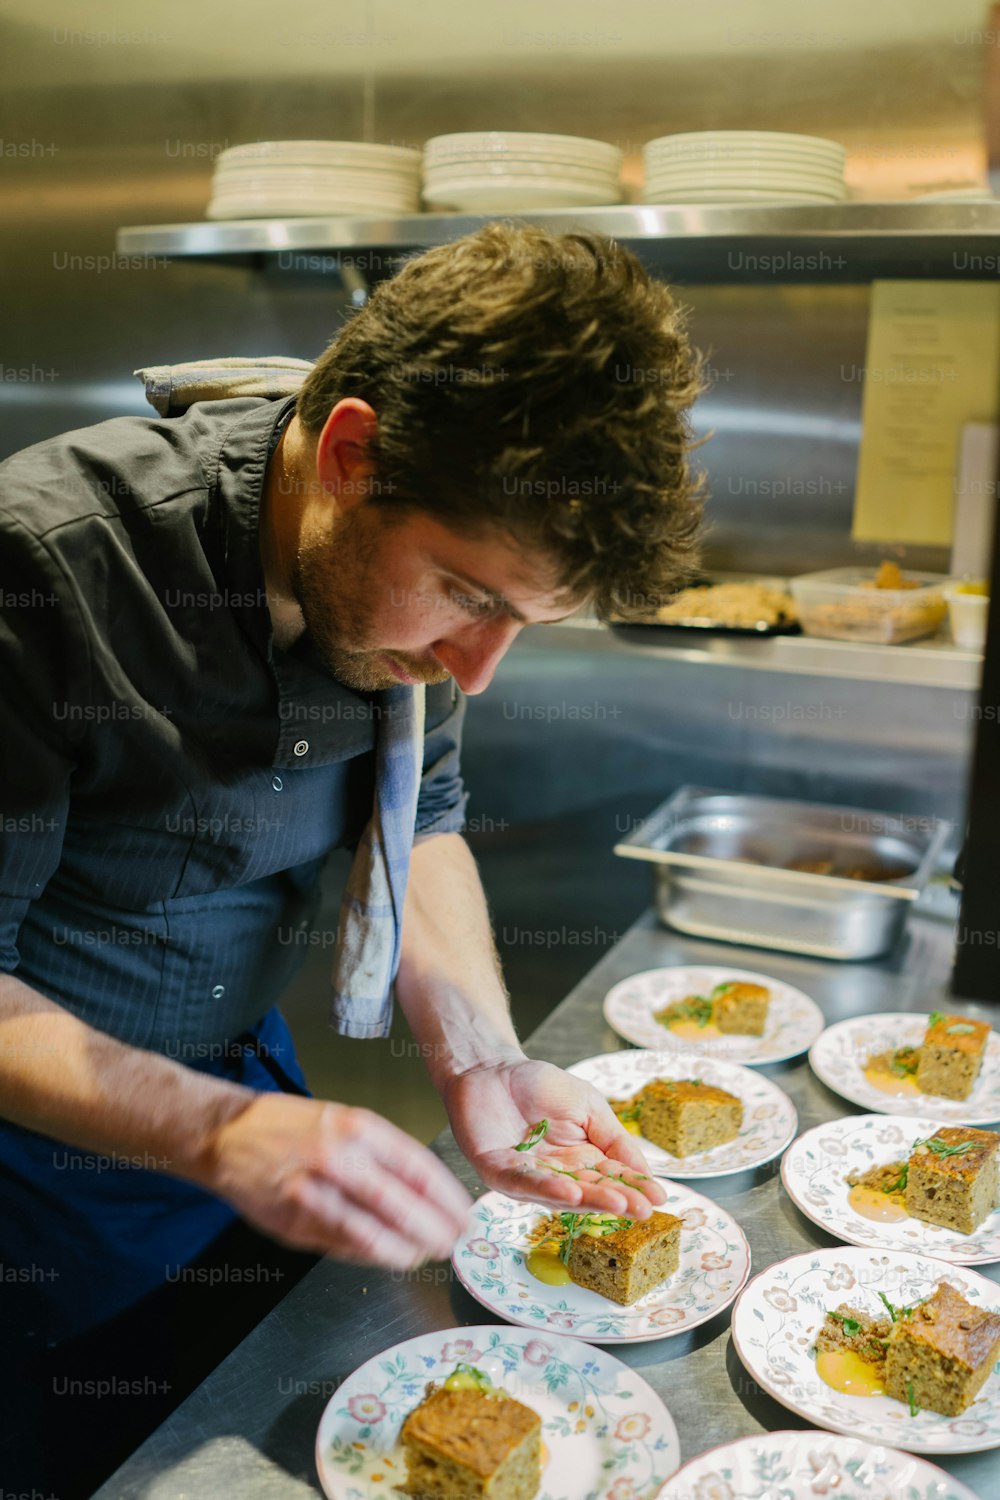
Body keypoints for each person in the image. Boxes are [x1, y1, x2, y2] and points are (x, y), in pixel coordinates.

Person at [0, 220, 705, 1493]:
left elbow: (420, 819)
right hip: (38, 1180)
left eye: (525, 626)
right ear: (349, 452)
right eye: (470, 596)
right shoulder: (44, 575)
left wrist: (481, 1057)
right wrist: (213, 1133)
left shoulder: (400, 594)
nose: (476, 668)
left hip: (244, 1092)